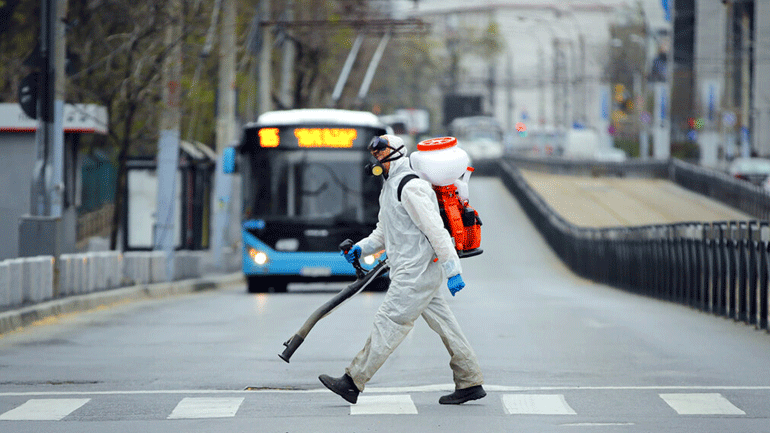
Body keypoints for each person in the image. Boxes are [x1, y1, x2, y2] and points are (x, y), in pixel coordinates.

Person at [318, 134, 485, 405]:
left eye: (381, 157)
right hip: (415, 272)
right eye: (375, 157)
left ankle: (352, 382)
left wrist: (454, 269)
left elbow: (436, 230)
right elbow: (384, 232)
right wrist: (361, 248)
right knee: (447, 326)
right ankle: (470, 380)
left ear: (395, 154)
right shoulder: (391, 186)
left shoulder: (411, 187)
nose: (376, 162)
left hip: (414, 274)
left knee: (389, 322)